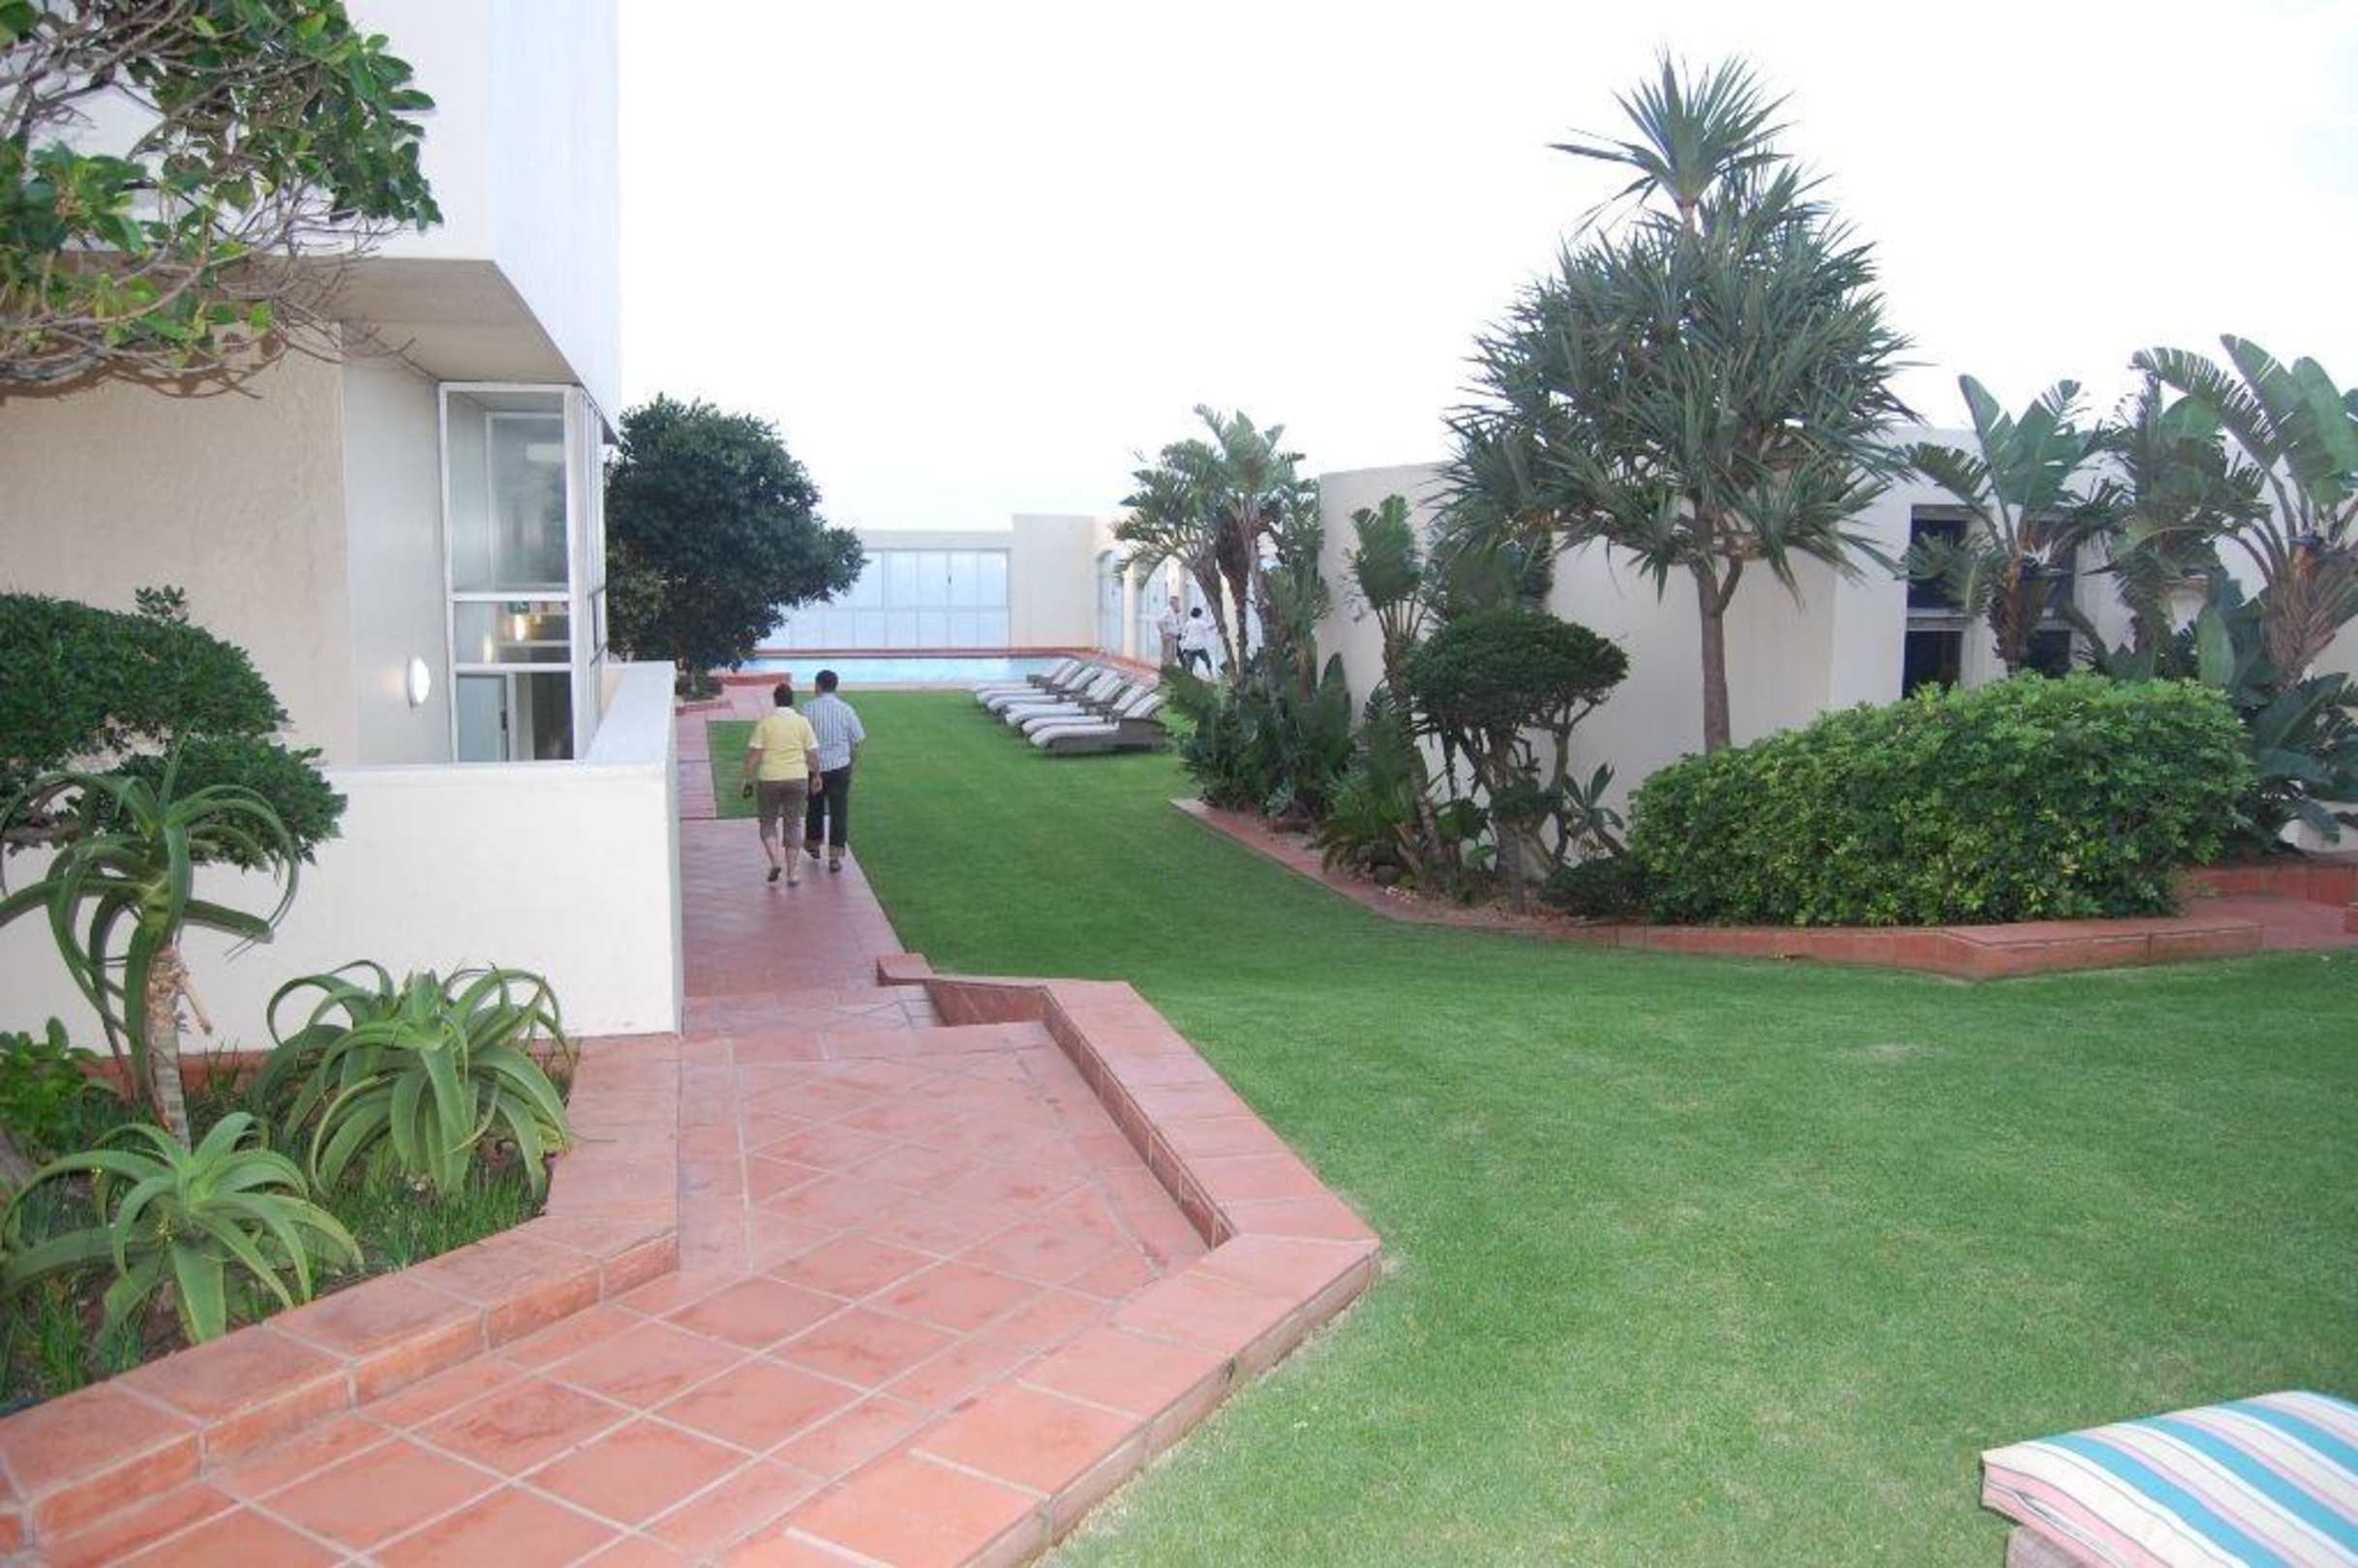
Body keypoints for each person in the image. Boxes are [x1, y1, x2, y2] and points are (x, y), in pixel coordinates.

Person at [741, 682, 819, 885]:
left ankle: (775, 861)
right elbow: (812, 753)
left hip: (769, 778)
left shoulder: (765, 723)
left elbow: (754, 754)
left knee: (767, 821)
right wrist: (816, 776)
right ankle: (792, 874)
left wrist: (747, 778)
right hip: (797, 777)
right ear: (792, 701)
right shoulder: (802, 723)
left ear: (775, 701)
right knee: (793, 823)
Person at [800, 668, 865, 874]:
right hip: (840, 768)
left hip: (815, 769)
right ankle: (835, 857)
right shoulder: (846, 709)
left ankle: (813, 844)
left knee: (814, 807)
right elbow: (857, 740)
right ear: (835, 686)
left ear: (818, 685)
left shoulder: (807, 709)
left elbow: (802, 742)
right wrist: (850, 765)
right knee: (839, 811)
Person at [1178, 605, 1215, 676]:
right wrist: (1216, 624)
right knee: (1207, 660)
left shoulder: (1188, 623)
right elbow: (1208, 627)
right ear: (1199, 614)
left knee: (1190, 665)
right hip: (1199, 646)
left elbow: (1184, 634)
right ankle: (1211, 674)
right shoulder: (1200, 622)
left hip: (1189, 646)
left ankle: (1189, 677)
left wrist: (1184, 644)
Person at [1155, 593, 1183, 669]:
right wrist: (1164, 632)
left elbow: (1175, 624)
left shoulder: (1174, 612)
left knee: (1172, 656)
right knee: (1167, 656)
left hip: (1173, 637)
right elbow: (1159, 621)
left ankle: (1170, 670)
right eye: (1177, 603)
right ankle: (1165, 670)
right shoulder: (1168, 611)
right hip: (1169, 637)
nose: (1178, 605)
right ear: (1173, 603)